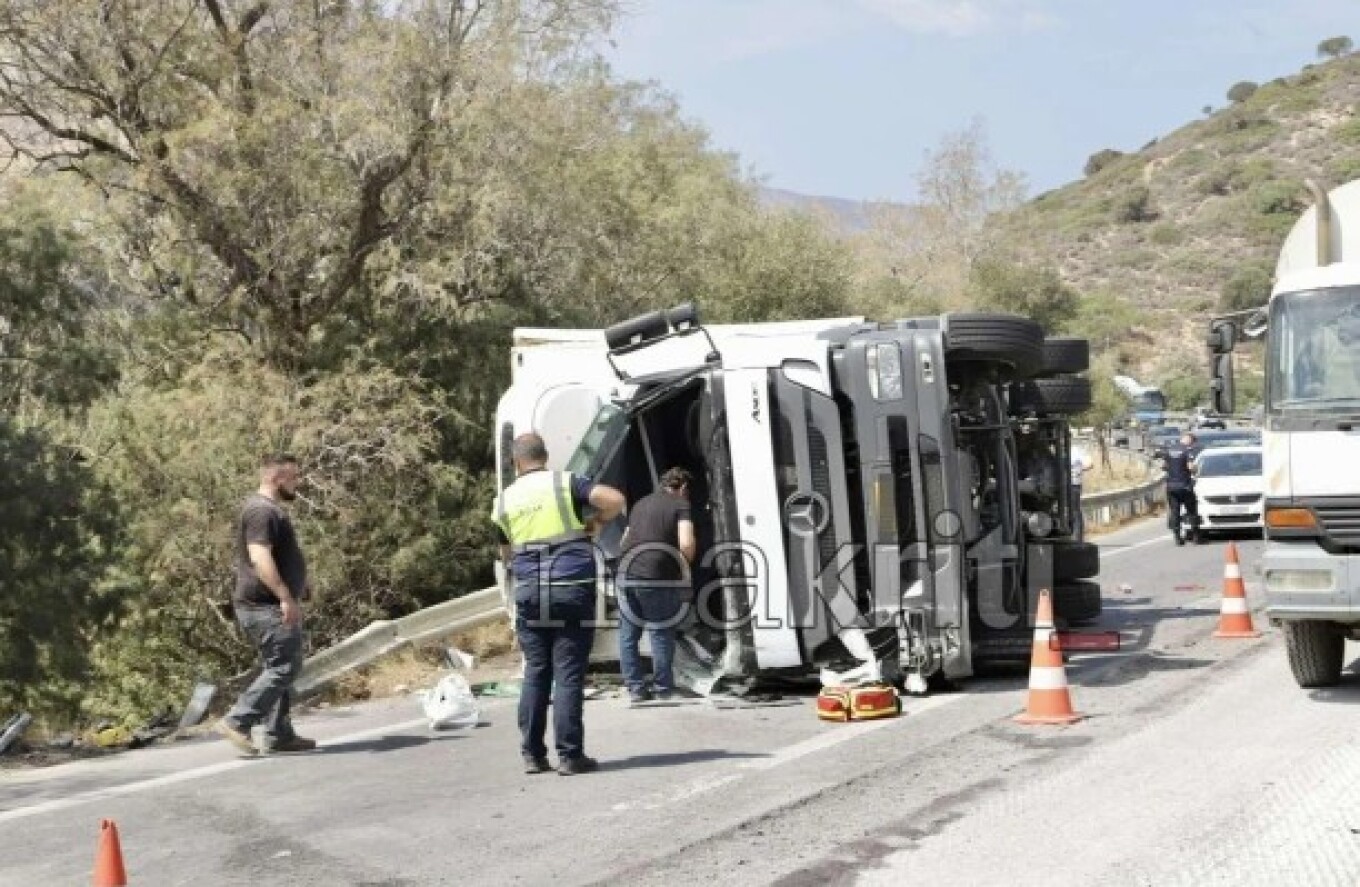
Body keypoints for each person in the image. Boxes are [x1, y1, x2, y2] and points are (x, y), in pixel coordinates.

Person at [492, 433, 625, 776]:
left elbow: (505, 554)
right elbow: (615, 500)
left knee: (537, 672)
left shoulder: (503, 501)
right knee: (567, 673)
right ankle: (570, 756)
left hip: (530, 591)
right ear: (545, 456)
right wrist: (594, 523)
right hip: (570, 587)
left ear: (515, 462)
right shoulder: (564, 483)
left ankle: (533, 755)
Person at [217, 455, 316, 756]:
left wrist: (300, 585)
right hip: (264, 605)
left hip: (267, 603)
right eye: (294, 478)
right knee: (286, 666)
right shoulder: (261, 511)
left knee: (279, 666)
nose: (297, 483)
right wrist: (285, 597)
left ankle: (279, 735)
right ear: (277, 478)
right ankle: (238, 721)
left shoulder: (270, 510)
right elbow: (260, 558)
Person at [617, 467, 697, 706]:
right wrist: (684, 568)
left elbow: (624, 542)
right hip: (656, 577)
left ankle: (635, 689)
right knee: (660, 631)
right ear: (682, 487)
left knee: (628, 635)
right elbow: (685, 543)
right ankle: (663, 687)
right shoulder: (680, 505)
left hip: (626, 573)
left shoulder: (640, 504)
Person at [1160, 433, 1201, 546]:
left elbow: (1164, 466)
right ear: (1189, 440)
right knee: (1192, 511)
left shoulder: (1169, 450)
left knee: (1175, 512)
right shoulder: (1187, 451)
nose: (1192, 445)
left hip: (1172, 486)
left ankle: (1177, 538)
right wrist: (1196, 470)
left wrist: (1173, 469)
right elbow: (1190, 467)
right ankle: (1196, 536)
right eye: (1192, 442)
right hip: (1185, 486)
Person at [1069, 442, 1094, 541]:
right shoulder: (1054, 449)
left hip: (1074, 484)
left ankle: (1078, 537)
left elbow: (1090, 464)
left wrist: (1078, 470)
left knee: (1075, 510)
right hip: (1060, 485)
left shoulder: (1076, 450)